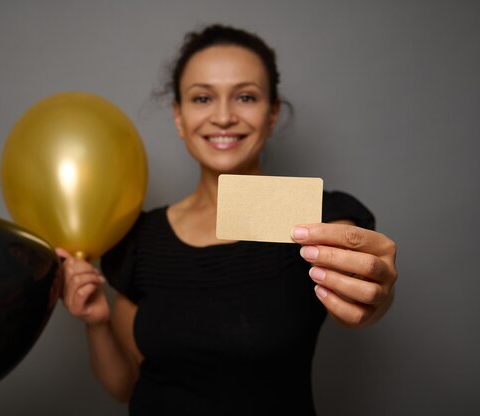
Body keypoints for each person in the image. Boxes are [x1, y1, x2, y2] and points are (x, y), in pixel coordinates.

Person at [57, 24, 397, 415]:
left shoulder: (320, 217)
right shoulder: (139, 238)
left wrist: (375, 294)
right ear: (179, 117)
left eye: (245, 97)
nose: (222, 117)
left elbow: (361, 299)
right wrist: (96, 322)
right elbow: (124, 385)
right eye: (202, 98)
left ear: (271, 114)